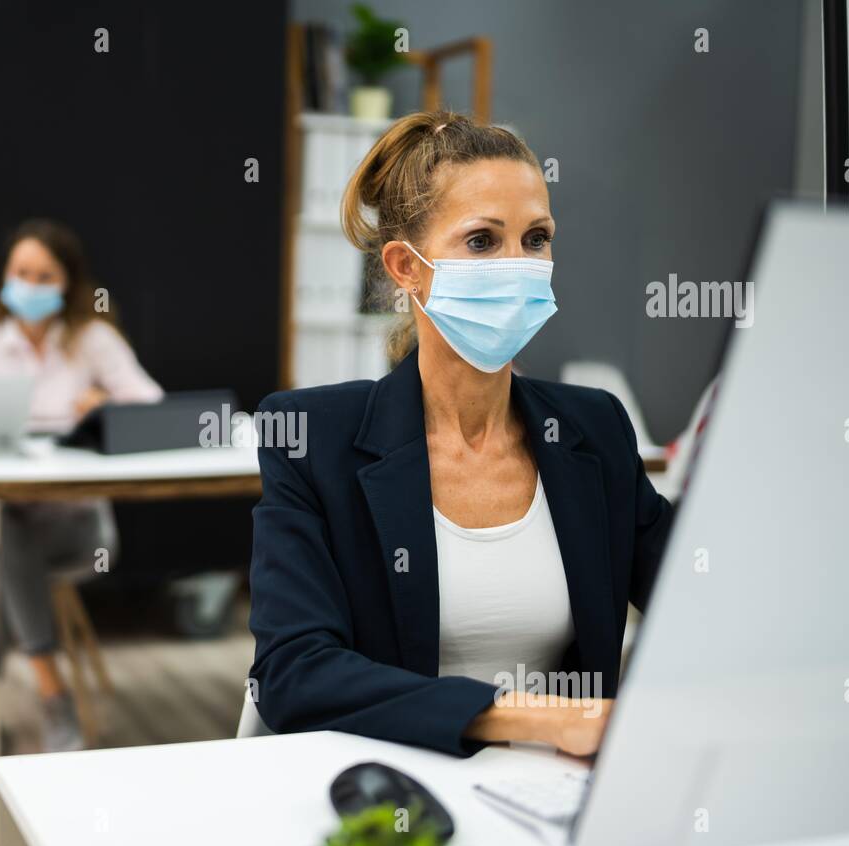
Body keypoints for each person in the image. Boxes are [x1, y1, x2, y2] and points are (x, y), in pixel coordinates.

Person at [248, 111, 673, 757]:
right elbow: (293, 674)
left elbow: (700, 604)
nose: (518, 265)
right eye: (481, 242)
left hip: (555, 799)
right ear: (404, 267)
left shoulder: (593, 427)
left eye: (536, 239)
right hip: (391, 795)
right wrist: (540, 719)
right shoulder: (311, 437)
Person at [0, 219, 162, 750]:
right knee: (1, 523)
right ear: (5, 277)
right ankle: (51, 688)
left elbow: (154, 407)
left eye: (45, 275)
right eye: (21, 272)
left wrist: (104, 405)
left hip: (74, 528)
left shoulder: (93, 338)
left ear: (67, 282)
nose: (31, 284)